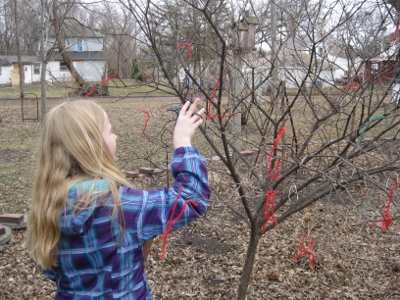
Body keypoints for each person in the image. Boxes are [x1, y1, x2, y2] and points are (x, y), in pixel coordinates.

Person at [26, 98, 210, 299]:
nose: (117, 136)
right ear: (93, 145)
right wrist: (183, 142)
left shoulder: (47, 206)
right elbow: (192, 197)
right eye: (110, 131)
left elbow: (50, 269)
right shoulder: (120, 207)